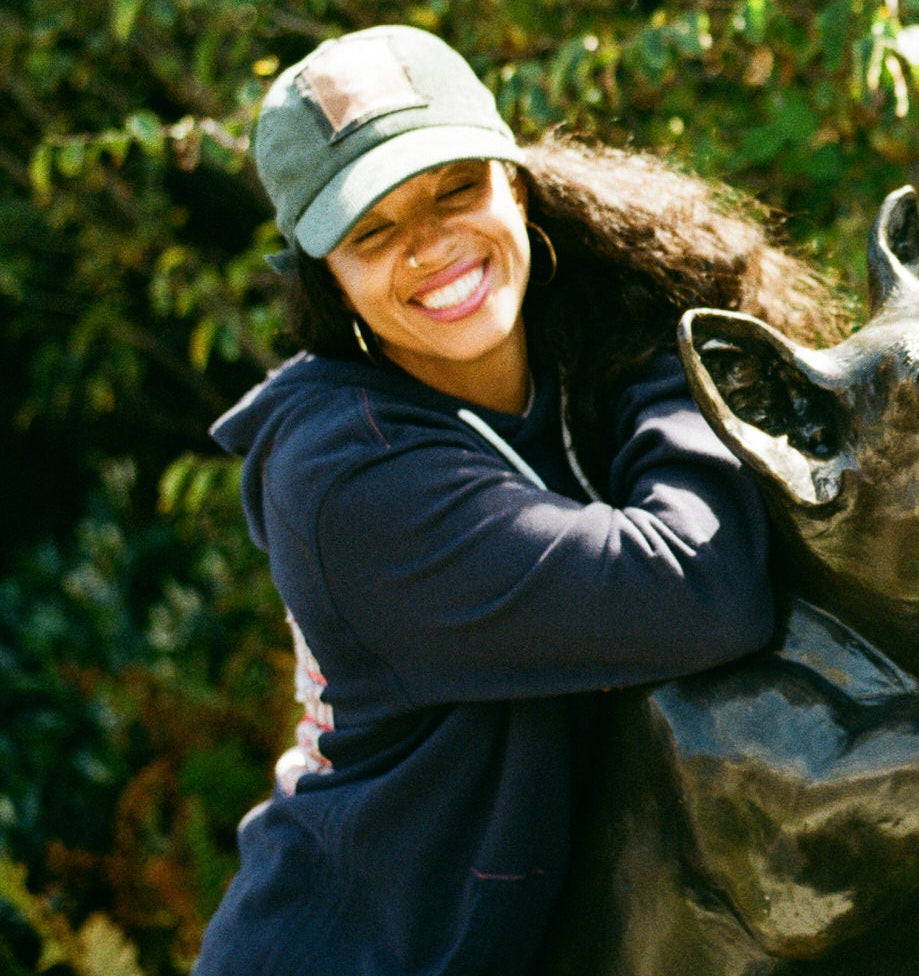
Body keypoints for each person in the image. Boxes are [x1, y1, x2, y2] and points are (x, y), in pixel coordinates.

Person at [193, 24, 847, 976]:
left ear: (517, 184)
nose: (428, 247)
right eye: (369, 232)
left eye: (454, 189)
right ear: (323, 278)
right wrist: (671, 349)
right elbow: (698, 587)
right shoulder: (345, 478)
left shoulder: (566, 367)